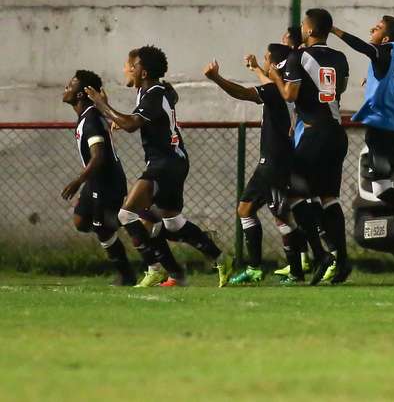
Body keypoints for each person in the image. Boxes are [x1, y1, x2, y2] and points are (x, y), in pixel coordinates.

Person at [86, 46, 234, 287]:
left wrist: (102, 105)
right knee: (170, 223)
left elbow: (132, 124)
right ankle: (218, 258)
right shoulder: (154, 91)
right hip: (174, 161)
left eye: (130, 65)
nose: (126, 69)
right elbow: (156, 107)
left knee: (127, 213)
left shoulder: (154, 93)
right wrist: (124, 120)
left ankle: (155, 269)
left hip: (164, 163)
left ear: (143, 72)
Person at [204, 46, 308, 285]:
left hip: (272, 160)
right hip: (281, 158)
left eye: (267, 59)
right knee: (262, 211)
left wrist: (216, 78)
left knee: (267, 213)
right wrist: (257, 69)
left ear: (276, 64)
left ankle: (278, 269)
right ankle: (285, 268)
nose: (265, 63)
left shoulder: (273, 90)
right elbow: (270, 82)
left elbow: (243, 93)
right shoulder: (288, 90)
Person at [331, 16, 394, 250]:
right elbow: (393, 79)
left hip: (382, 127)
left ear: (385, 38)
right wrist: (374, 81)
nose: (371, 29)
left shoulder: (383, 51)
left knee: (382, 189)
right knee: (383, 188)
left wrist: (336, 31)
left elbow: (364, 48)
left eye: (376, 28)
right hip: (392, 127)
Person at [269, 9, 353, 285]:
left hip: (315, 132)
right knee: (328, 197)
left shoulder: (300, 56)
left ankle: (320, 254)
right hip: (336, 132)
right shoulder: (340, 57)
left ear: (309, 29)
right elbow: (338, 88)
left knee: (292, 190)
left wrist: (274, 75)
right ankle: (341, 259)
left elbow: (290, 95)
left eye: (304, 24)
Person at [61, 70, 134, 286]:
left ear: (81, 94)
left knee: (102, 228)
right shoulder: (89, 115)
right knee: (81, 221)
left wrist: (77, 182)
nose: (65, 89)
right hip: (96, 180)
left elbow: (99, 157)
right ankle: (114, 221)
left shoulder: (91, 119)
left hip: (106, 182)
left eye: (70, 85)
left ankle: (126, 274)